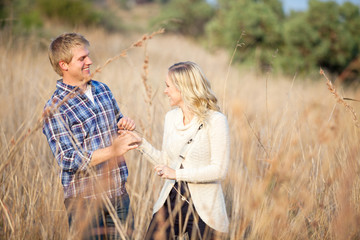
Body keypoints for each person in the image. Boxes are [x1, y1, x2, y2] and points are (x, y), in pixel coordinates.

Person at [42, 32, 141, 239]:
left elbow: (117, 124)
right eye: (82, 58)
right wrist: (114, 150)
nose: (90, 61)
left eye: (88, 55)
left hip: (118, 195)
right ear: (64, 65)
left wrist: (125, 125)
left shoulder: (102, 89)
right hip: (84, 202)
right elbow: (67, 159)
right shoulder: (54, 108)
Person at [138, 61, 230, 239]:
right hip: (170, 201)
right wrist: (140, 144)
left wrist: (176, 174)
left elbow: (219, 170)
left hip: (205, 209)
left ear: (184, 88)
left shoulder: (216, 120)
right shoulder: (170, 117)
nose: (165, 91)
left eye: (168, 86)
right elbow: (166, 162)